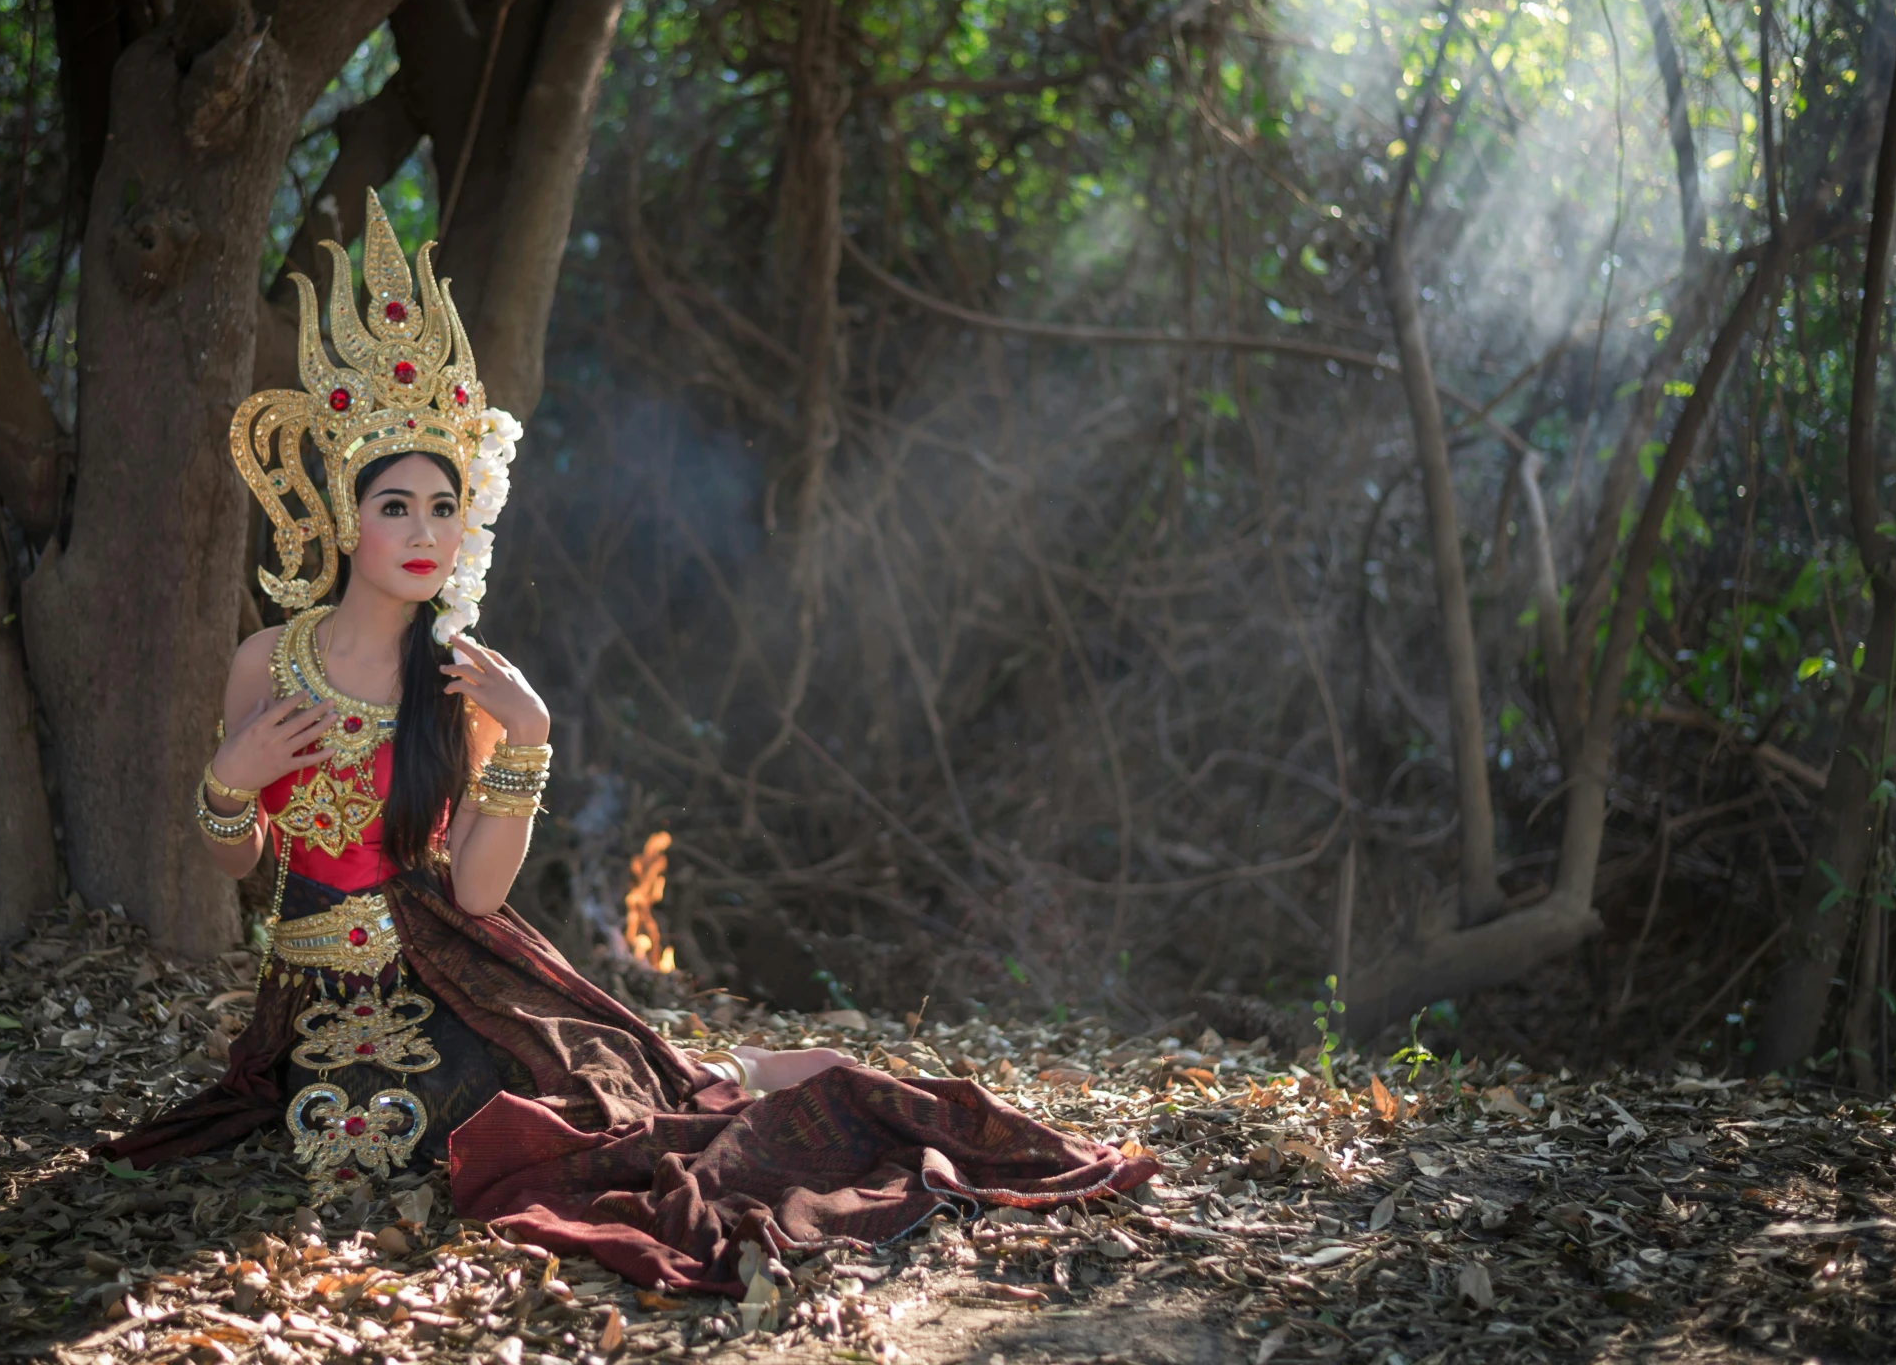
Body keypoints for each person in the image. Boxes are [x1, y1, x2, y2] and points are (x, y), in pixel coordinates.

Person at [101, 191, 1153, 1291]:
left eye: (443, 507)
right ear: (341, 512)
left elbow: (473, 894)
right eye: (397, 505)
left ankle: (760, 1070)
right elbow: (240, 863)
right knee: (391, 1128)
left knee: (580, 1114)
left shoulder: (459, 678)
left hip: (449, 963)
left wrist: (530, 740)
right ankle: (721, 1064)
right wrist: (231, 781)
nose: (423, 532)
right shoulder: (267, 660)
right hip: (313, 990)